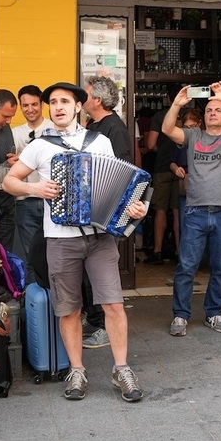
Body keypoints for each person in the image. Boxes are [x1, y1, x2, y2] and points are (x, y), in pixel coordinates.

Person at [3, 82, 147, 403]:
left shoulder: (101, 143)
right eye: (52, 102)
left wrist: (132, 207)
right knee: (69, 308)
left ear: (78, 107)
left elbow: (117, 187)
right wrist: (35, 189)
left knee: (112, 303)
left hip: (99, 238)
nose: (58, 107)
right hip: (59, 239)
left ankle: (121, 367)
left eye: (64, 101)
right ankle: (77, 369)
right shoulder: (40, 146)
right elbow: (9, 181)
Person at [163, 82, 221, 336]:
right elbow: (167, 129)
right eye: (209, 109)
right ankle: (180, 316)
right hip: (195, 212)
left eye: (218, 110)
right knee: (187, 266)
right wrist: (177, 104)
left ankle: (214, 312)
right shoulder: (193, 136)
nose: (212, 113)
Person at [80, 75, 132, 350]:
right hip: (91, 210)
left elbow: (121, 171)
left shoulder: (115, 128)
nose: (81, 98)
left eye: (85, 94)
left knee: (101, 274)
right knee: (88, 272)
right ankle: (95, 318)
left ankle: (103, 327)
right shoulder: (93, 124)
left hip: (105, 212)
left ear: (97, 100)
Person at [10, 85, 53, 272]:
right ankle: (34, 298)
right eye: (25, 105)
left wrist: (24, 156)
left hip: (50, 199)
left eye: (34, 104)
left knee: (53, 252)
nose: (30, 109)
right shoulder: (15, 132)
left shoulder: (54, 128)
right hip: (24, 201)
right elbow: (9, 162)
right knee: (30, 254)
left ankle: (54, 298)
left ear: (42, 104)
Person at [145, 84, 181, 265]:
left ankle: (158, 251)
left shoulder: (160, 116)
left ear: (168, 98)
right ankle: (179, 251)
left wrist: (163, 152)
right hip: (183, 169)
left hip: (162, 168)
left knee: (160, 210)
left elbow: (151, 144)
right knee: (177, 212)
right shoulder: (188, 117)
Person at [170, 108, 203, 230]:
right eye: (186, 127)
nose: (189, 130)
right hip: (185, 184)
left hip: (203, 188)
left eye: (192, 126)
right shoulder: (181, 140)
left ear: (199, 124)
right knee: (185, 222)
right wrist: (176, 169)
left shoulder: (206, 140)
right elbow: (172, 162)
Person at [0, 89, 18, 251]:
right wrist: (6, 166)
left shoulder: (6, 129)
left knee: (5, 254)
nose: (8, 121)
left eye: (11, 117)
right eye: (5, 116)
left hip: (8, 202)